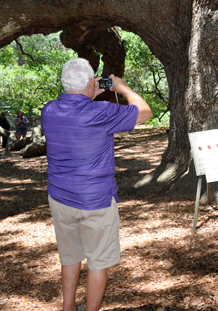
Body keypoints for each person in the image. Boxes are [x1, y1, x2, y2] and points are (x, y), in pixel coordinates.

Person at [41, 58, 151, 311]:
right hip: (96, 200)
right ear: (90, 82)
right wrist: (122, 89)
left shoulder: (49, 110)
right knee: (98, 262)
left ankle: (68, 307)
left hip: (60, 198)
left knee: (69, 257)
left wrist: (90, 91)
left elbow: (75, 111)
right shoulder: (100, 112)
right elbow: (144, 112)